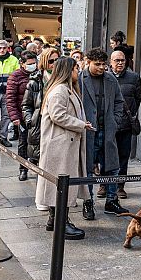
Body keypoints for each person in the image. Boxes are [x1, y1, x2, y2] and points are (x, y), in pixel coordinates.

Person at [35, 57, 92, 241]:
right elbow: (58, 115)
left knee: (59, 183)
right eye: (76, 68)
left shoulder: (66, 89)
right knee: (60, 184)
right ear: (68, 70)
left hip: (64, 144)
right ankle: (61, 221)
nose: (78, 71)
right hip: (59, 145)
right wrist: (80, 124)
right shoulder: (59, 90)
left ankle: (55, 219)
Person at [78, 47, 128, 219]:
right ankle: (88, 202)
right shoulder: (79, 79)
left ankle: (112, 201)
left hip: (107, 129)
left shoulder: (110, 78)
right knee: (88, 168)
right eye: (97, 64)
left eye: (103, 64)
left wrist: (115, 121)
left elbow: (119, 102)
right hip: (87, 131)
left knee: (112, 167)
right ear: (88, 62)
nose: (101, 67)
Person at [24, 50, 59, 211]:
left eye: (57, 60)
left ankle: (53, 198)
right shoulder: (35, 81)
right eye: (51, 61)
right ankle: (41, 198)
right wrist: (29, 121)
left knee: (54, 163)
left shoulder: (62, 79)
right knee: (40, 163)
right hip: (39, 126)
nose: (54, 64)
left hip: (56, 127)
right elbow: (26, 105)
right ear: (45, 61)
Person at [110, 49, 141, 199]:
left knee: (123, 156)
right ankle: (104, 184)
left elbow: (138, 98)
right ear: (111, 62)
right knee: (107, 155)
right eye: (117, 60)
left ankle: (120, 186)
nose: (120, 63)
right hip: (109, 124)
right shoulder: (106, 77)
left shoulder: (134, 78)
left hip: (126, 124)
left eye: (122, 60)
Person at [6, 51, 39, 181]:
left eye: (34, 63)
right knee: (23, 143)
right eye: (29, 64)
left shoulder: (38, 75)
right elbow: (10, 98)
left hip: (37, 116)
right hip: (23, 116)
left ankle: (36, 165)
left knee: (37, 142)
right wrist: (14, 117)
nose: (32, 66)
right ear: (22, 63)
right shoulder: (15, 76)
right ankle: (23, 168)